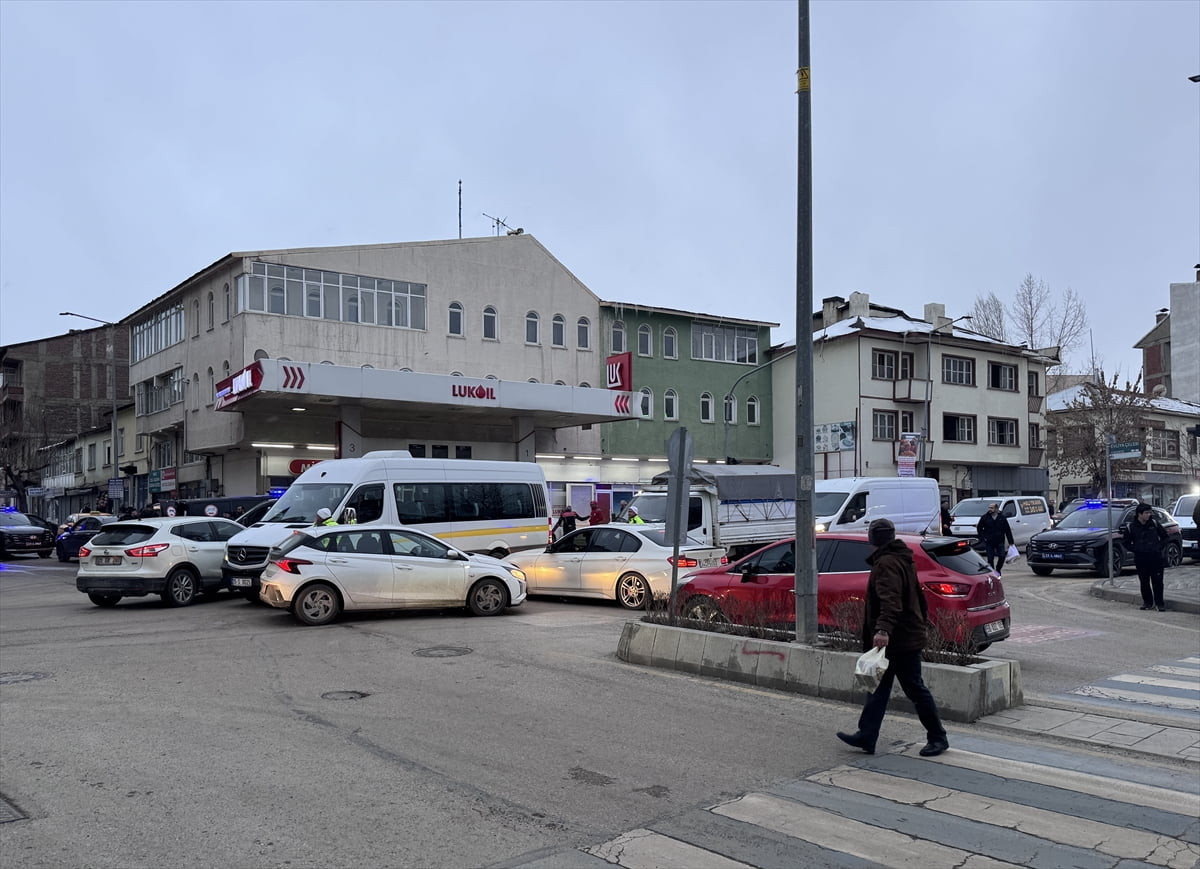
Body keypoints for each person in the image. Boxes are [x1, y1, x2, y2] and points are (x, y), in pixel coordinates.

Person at [837, 518, 948, 758]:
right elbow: (917, 597)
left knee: (915, 689)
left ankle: (938, 737)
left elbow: (891, 601)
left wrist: (882, 630)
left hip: (900, 640)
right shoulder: (902, 559)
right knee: (878, 687)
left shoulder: (886, 564)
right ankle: (867, 735)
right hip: (905, 634)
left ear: (873, 539)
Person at [1123, 502, 1168, 612]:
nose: (1148, 515)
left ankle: (1159, 603)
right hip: (1141, 559)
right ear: (1139, 514)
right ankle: (1147, 602)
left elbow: (1165, 537)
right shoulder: (1131, 527)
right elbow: (1126, 542)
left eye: (1149, 512)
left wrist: (1158, 548)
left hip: (1155, 558)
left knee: (1157, 581)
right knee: (1144, 581)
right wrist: (1136, 549)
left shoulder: (1154, 523)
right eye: (1146, 513)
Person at [976, 502, 1014, 574]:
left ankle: (998, 568)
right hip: (989, 541)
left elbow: (1007, 530)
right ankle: (993, 572)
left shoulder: (1002, 517)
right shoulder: (985, 517)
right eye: (989, 507)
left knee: (1002, 556)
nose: (990, 509)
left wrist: (1011, 542)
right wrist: (983, 538)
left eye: (992, 508)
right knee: (990, 558)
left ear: (996, 509)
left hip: (999, 541)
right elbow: (979, 528)